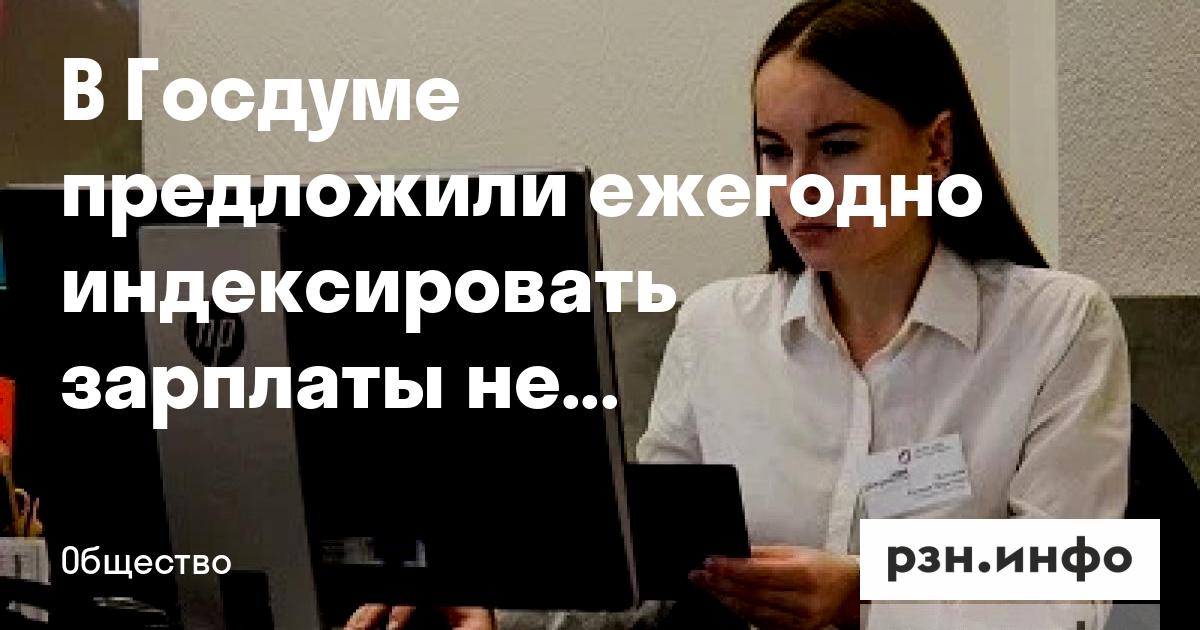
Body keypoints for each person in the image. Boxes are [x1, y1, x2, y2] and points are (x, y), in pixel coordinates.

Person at [348, 0, 1130, 628]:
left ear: (936, 148)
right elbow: (643, 575)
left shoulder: (1056, 323)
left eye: (838, 147)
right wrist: (491, 607)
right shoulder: (717, 329)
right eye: (774, 151)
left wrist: (866, 595)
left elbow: (1079, 591)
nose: (800, 185)